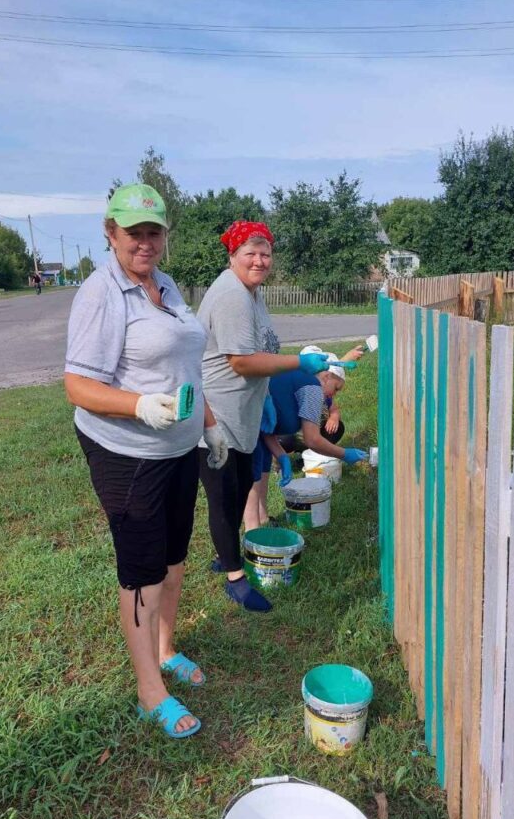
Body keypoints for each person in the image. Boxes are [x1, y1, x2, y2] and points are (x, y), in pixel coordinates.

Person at [64, 184, 227, 740]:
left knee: (175, 557)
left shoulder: (166, 285)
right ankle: (148, 689)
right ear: (111, 233)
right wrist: (137, 404)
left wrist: (209, 425)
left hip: (179, 446)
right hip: (126, 451)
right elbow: (77, 386)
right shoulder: (100, 293)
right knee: (142, 569)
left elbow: (186, 367)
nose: (145, 242)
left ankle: (164, 648)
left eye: (154, 231)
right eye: (134, 232)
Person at [196, 220, 331, 613]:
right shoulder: (231, 296)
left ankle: (227, 555)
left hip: (244, 412)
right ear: (232, 255)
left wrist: (266, 399)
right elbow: (240, 361)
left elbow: (259, 349)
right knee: (224, 497)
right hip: (216, 416)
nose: (259, 260)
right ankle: (235, 579)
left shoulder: (252, 294)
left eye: (265, 253)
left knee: (238, 490)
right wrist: (299, 363)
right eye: (250, 253)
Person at [244, 350, 368, 531]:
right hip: (245, 420)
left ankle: (262, 519)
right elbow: (313, 440)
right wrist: (344, 453)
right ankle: (252, 532)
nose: (334, 395)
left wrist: (281, 455)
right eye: (336, 388)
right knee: (255, 471)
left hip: (254, 422)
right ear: (326, 377)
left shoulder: (299, 380)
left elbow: (267, 429)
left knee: (262, 464)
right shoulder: (312, 388)